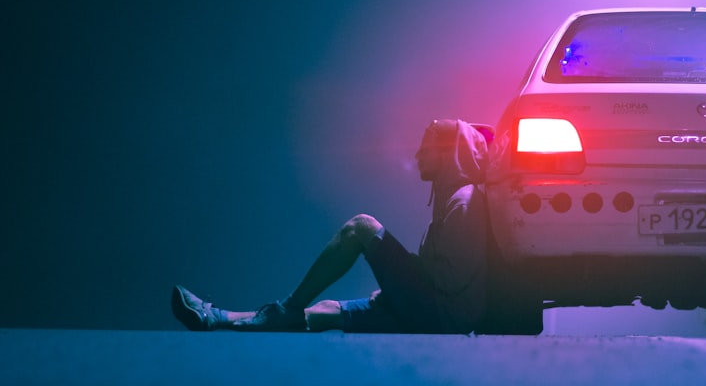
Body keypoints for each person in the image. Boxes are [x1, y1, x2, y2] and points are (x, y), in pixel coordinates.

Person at [171, 119, 491, 334]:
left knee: (362, 227)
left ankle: (288, 306)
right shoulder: (454, 200)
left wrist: (400, 287)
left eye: (428, 145)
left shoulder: (463, 202)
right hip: (433, 311)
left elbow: (451, 285)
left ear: (450, 152)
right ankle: (217, 318)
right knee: (325, 311)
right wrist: (403, 287)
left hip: (440, 316)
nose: (419, 153)